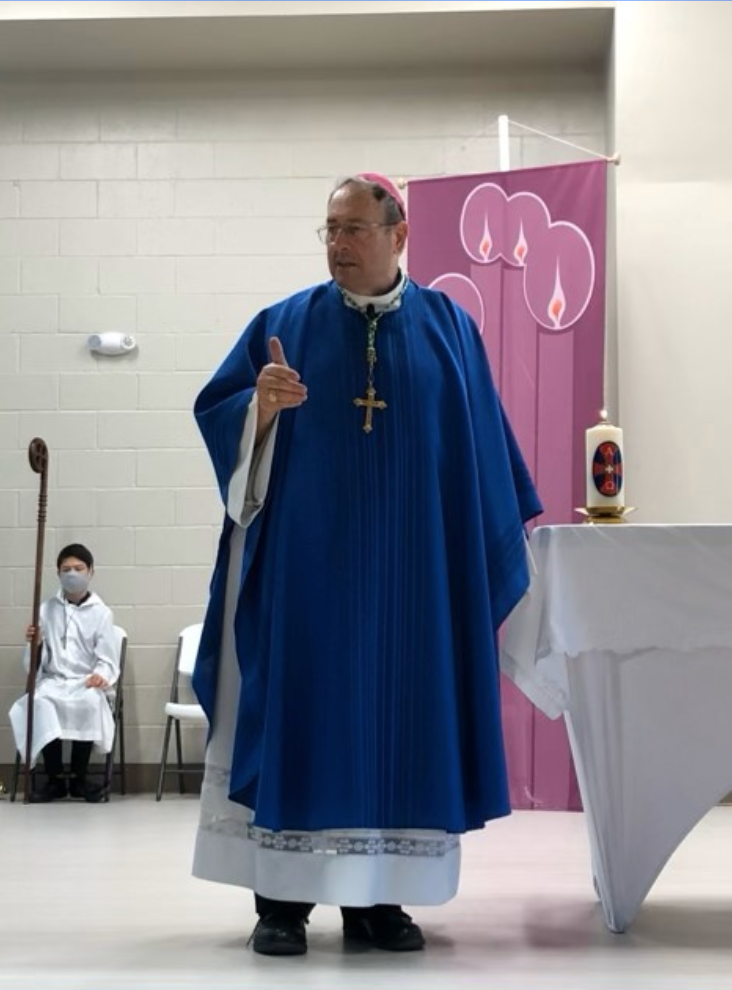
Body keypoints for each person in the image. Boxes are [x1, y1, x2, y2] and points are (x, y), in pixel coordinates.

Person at [191, 172, 543, 957]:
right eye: (330, 229)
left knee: (400, 729)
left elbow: (482, 454)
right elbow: (222, 417)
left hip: (416, 587)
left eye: (353, 228)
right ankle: (282, 903)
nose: (338, 244)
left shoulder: (451, 330)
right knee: (300, 722)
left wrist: (487, 552)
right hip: (309, 583)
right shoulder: (283, 323)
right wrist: (260, 410)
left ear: (398, 234)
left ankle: (378, 903)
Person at [9, 543, 119, 804]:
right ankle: (55, 779)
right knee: (41, 702)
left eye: (78, 568)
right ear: (58, 573)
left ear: (91, 571)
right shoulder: (45, 609)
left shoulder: (102, 613)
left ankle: (79, 779)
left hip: (84, 681)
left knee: (90, 702)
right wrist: (35, 644)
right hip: (54, 679)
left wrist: (100, 675)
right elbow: (35, 663)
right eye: (66, 569)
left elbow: (107, 657)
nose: (72, 574)